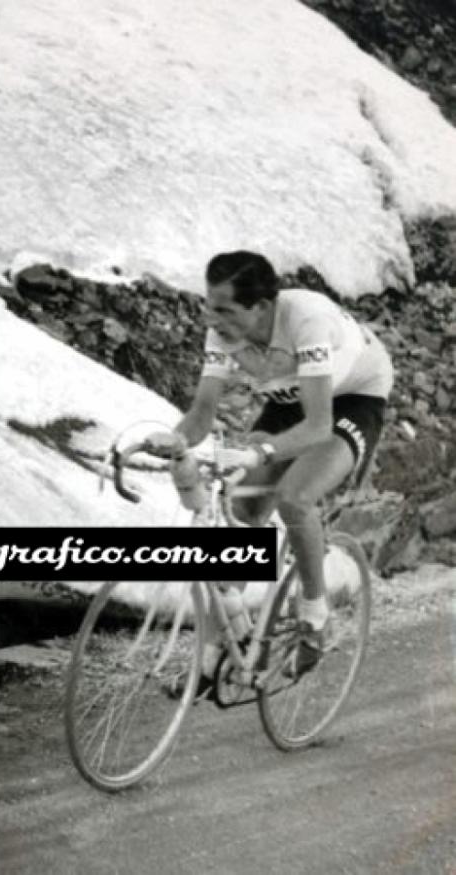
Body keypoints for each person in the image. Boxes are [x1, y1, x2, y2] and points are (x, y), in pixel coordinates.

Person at [151, 251, 393, 682]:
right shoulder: (223, 335)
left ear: (261, 306)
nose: (212, 319)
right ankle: (234, 641)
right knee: (243, 510)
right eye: (209, 305)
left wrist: (261, 453)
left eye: (224, 309)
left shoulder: (306, 320)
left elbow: (318, 426)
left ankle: (314, 615)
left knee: (294, 499)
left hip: (352, 398)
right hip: (289, 399)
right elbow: (202, 414)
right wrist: (175, 440)